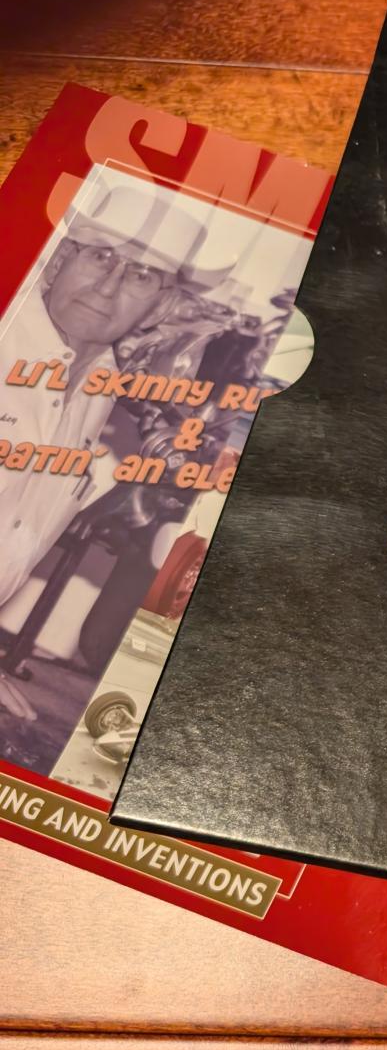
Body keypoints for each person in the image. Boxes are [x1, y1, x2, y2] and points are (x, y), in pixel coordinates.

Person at [0, 183, 210, 720]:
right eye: (100, 256)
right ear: (61, 260)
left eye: (141, 275)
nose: (109, 285)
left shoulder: (100, 386)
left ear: (160, 306)